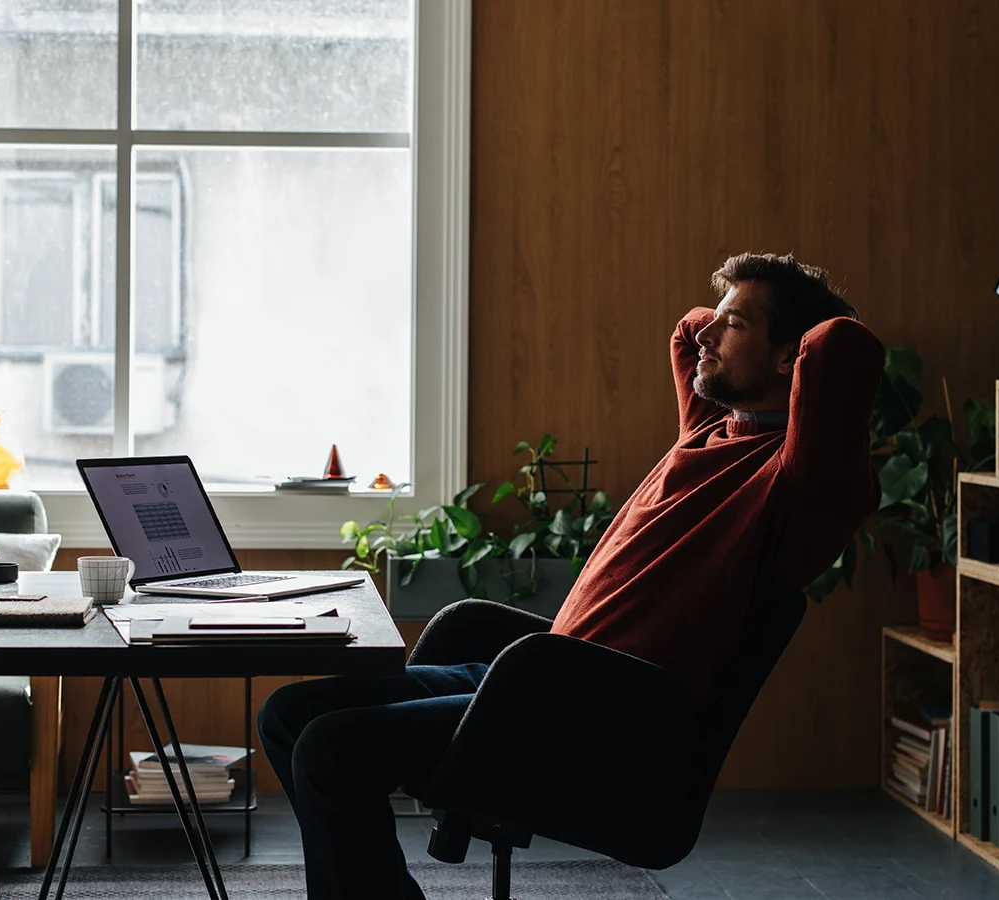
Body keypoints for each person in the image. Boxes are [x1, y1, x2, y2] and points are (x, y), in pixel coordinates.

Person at [256, 252, 886, 900]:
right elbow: (686, 331)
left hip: (592, 719)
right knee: (288, 714)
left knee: (329, 750)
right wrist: (740, 320)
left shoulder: (801, 483)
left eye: (734, 325)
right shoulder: (709, 433)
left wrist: (799, 321)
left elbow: (845, 345)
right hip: (526, 684)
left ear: (792, 359)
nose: (705, 333)